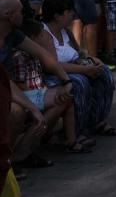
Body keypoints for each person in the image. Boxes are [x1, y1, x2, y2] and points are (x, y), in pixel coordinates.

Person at [0, 0, 73, 173]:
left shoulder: (14, 34)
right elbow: (6, 82)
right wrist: (31, 107)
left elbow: (43, 55)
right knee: (16, 111)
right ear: (8, 14)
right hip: (7, 90)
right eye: (20, 11)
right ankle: (3, 160)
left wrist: (66, 80)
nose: (24, 14)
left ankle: (20, 154)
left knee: (63, 97)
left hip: (12, 91)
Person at [40, 0, 116, 141]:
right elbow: (53, 66)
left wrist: (93, 61)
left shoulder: (66, 31)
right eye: (69, 11)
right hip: (56, 75)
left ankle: (97, 120)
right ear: (57, 16)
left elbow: (79, 54)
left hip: (76, 68)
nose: (72, 14)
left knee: (105, 74)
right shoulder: (44, 34)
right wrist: (85, 70)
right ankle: (76, 130)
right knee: (80, 83)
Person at [12, 19, 85, 153]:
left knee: (66, 101)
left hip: (39, 92)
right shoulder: (20, 57)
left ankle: (70, 140)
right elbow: (20, 84)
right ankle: (30, 146)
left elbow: (40, 78)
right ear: (32, 38)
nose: (45, 38)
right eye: (42, 36)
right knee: (61, 99)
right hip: (29, 96)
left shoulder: (36, 56)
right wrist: (40, 97)